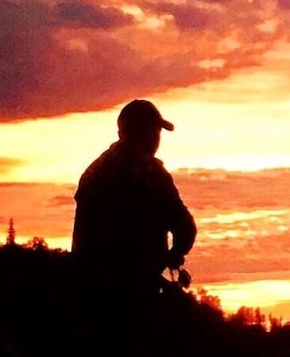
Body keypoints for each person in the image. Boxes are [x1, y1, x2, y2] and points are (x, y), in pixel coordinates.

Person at [71, 99, 197, 311]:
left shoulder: (94, 171)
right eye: (156, 130)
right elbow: (185, 228)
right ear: (147, 133)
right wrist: (175, 254)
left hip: (89, 294)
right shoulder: (152, 173)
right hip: (136, 295)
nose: (158, 138)